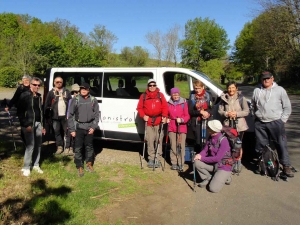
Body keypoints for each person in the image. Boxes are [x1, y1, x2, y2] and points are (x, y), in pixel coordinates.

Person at [252, 71, 294, 177]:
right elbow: (252, 105)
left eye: (268, 78)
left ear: (272, 79)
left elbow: (287, 107)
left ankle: (286, 166)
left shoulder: (280, 90)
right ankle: (263, 164)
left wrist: (282, 120)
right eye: (263, 79)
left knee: (281, 144)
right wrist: (255, 116)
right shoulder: (257, 90)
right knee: (261, 145)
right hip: (260, 123)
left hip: (276, 122)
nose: (266, 80)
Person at [68, 82, 99, 177]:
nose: (83, 90)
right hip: (79, 127)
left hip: (89, 128)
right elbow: (70, 115)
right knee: (78, 147)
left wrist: (93, 127)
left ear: (88, 90)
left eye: (85, 89)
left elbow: (97, 115)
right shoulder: (75, 100)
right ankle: (79, 165)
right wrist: (72, 130)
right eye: (82, 89)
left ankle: (89, 164)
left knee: (89, 147)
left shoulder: (93, 100)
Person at [218, 81, 249, 172]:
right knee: (228, 144)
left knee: (238, 144)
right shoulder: (223, 98)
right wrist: (226, 113)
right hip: (227, 125)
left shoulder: (241, 98)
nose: (231, 90)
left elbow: (246, 111)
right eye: (229, 88)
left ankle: (237, 162)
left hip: (239, 125)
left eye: (233, 88)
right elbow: (220, 111)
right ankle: (229, 162)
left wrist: (236, 113)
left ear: (236, 88)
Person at [136, 79, 168, 168]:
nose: (152, 87)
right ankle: (151, 158)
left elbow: (165, 107)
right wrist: (143, 115)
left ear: (156, 86)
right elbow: (139, 108)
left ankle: (157, 158)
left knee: (159, 140)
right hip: (149, 121)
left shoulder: (160, 95)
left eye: (154, 85)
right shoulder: (143, 96)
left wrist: (164, 116)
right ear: (148, 86)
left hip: (159, 121)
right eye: (150, 85)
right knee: (150, 140)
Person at [18, 77, 46, 176]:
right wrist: (26, 124)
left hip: (38, 123)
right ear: (30, 85)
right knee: (30, 146)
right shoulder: (24, 95)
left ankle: (36, 165)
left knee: (38, 145)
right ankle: (26, 167)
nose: (37, 87)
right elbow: (20, 112)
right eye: (34, 85)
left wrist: (43, 125)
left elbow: (41, 112)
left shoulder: (39, 96)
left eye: (38, 85)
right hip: (29, 124)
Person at [194, 120, 232, 193]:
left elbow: (217, 158)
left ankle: (227, 176)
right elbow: (205, 150)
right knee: (196, 162)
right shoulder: (211, 137)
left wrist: (202, 158)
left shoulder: (224, 141)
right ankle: (208, 177)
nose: (207, 128)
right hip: (213, 165)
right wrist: (199, 155)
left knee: (213, 189)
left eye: (209, 127)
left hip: (223, 166)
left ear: (213, 130)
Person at [44, 77, 71, 154]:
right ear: (54, 83)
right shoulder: (51, 92)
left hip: (65, 116)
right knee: (57, 132)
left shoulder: (67, 91)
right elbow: (47, 104)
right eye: (57, 82)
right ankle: (59, 147)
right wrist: (47, 116)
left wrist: (70, 114)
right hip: (55, 116)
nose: (59, 83)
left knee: (67, 132)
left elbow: (71, 104)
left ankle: (67, 147)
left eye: (60, 82)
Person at [167, 87, 190, 171]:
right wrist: (166, 118)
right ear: (171, 95)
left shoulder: (184, 103)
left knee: (181, 146)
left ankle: (180, 163)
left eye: (177, 94)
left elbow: (187, 116)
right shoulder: (168, 103)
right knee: (173, 145)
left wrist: (182, 120)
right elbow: (166, 114)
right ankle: (174, 162)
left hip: (182, 127)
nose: (176, 96)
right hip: (171, 126)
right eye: (174, 94)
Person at [5, 75, 32, 143]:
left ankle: (31, 140)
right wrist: (9, 106)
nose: (25, 82)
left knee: (30, 125)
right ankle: (25, 141)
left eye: (27, 80)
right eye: (24, 80)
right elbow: (15, 98)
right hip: (21, 110)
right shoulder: (20, 88)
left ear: (30, 81)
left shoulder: (32, 87)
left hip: (30, 110)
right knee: (23, 125)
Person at [188, 80, 212, 151]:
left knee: (207, 140)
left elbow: (212, 108)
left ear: (203, 87)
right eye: (196, 88)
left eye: (199, 88)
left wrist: (207, 113)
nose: (197, 90)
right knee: (198, 141)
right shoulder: (192, 96)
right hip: (196, 121)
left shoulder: (208, 95)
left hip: (207, 121)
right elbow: (190, 111)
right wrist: (200, 112)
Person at [64, 83, 80, 156]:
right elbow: (68, 109)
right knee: (69, 133)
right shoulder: (71, 100)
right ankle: (67, 147)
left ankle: (72, 148)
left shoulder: (81, 100)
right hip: (70, 119)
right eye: (74, 92)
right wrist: (67, 116)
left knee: (75, 134)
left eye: (77, 92)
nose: (76, 93)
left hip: (77, 120)